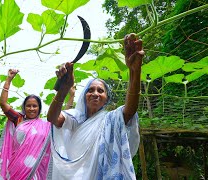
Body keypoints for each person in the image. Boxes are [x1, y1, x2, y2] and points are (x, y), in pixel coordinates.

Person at [47, 33, 144, 179]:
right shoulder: (75, 118)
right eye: (90, 90)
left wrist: (134, 71)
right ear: (84, 96)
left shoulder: (110, 119)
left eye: (100, 91)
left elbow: (130, 110)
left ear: (106, 99)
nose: (95, 93)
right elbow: (52, 118)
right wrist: (64, 89)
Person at [0, 69, 51, 180]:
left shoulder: (47, 125)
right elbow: (2, 103)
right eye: (28, 106)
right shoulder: (18, 119)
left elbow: (62, 121)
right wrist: (9, 79)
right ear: (24, 107)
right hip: (17, 167)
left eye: (34, 106)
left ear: (39, 108)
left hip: (37, 169)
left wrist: (70, 95)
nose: (31, 109)